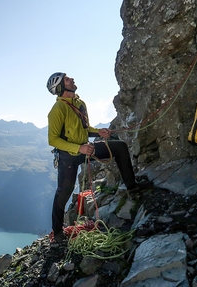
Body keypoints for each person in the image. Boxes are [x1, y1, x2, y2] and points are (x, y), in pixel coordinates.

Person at [46, 72, 151, 243]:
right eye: (66, 79)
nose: (72, 79)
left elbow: (84, 129)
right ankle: (57, 233)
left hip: (85, 149)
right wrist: (79, 148)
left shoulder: (80, 103)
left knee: (120, 147)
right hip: (69, 157)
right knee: (63, 193)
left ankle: (132, 189)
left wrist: (98, 132)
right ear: (60, 88)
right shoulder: (57, 110)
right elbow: (53, 140)